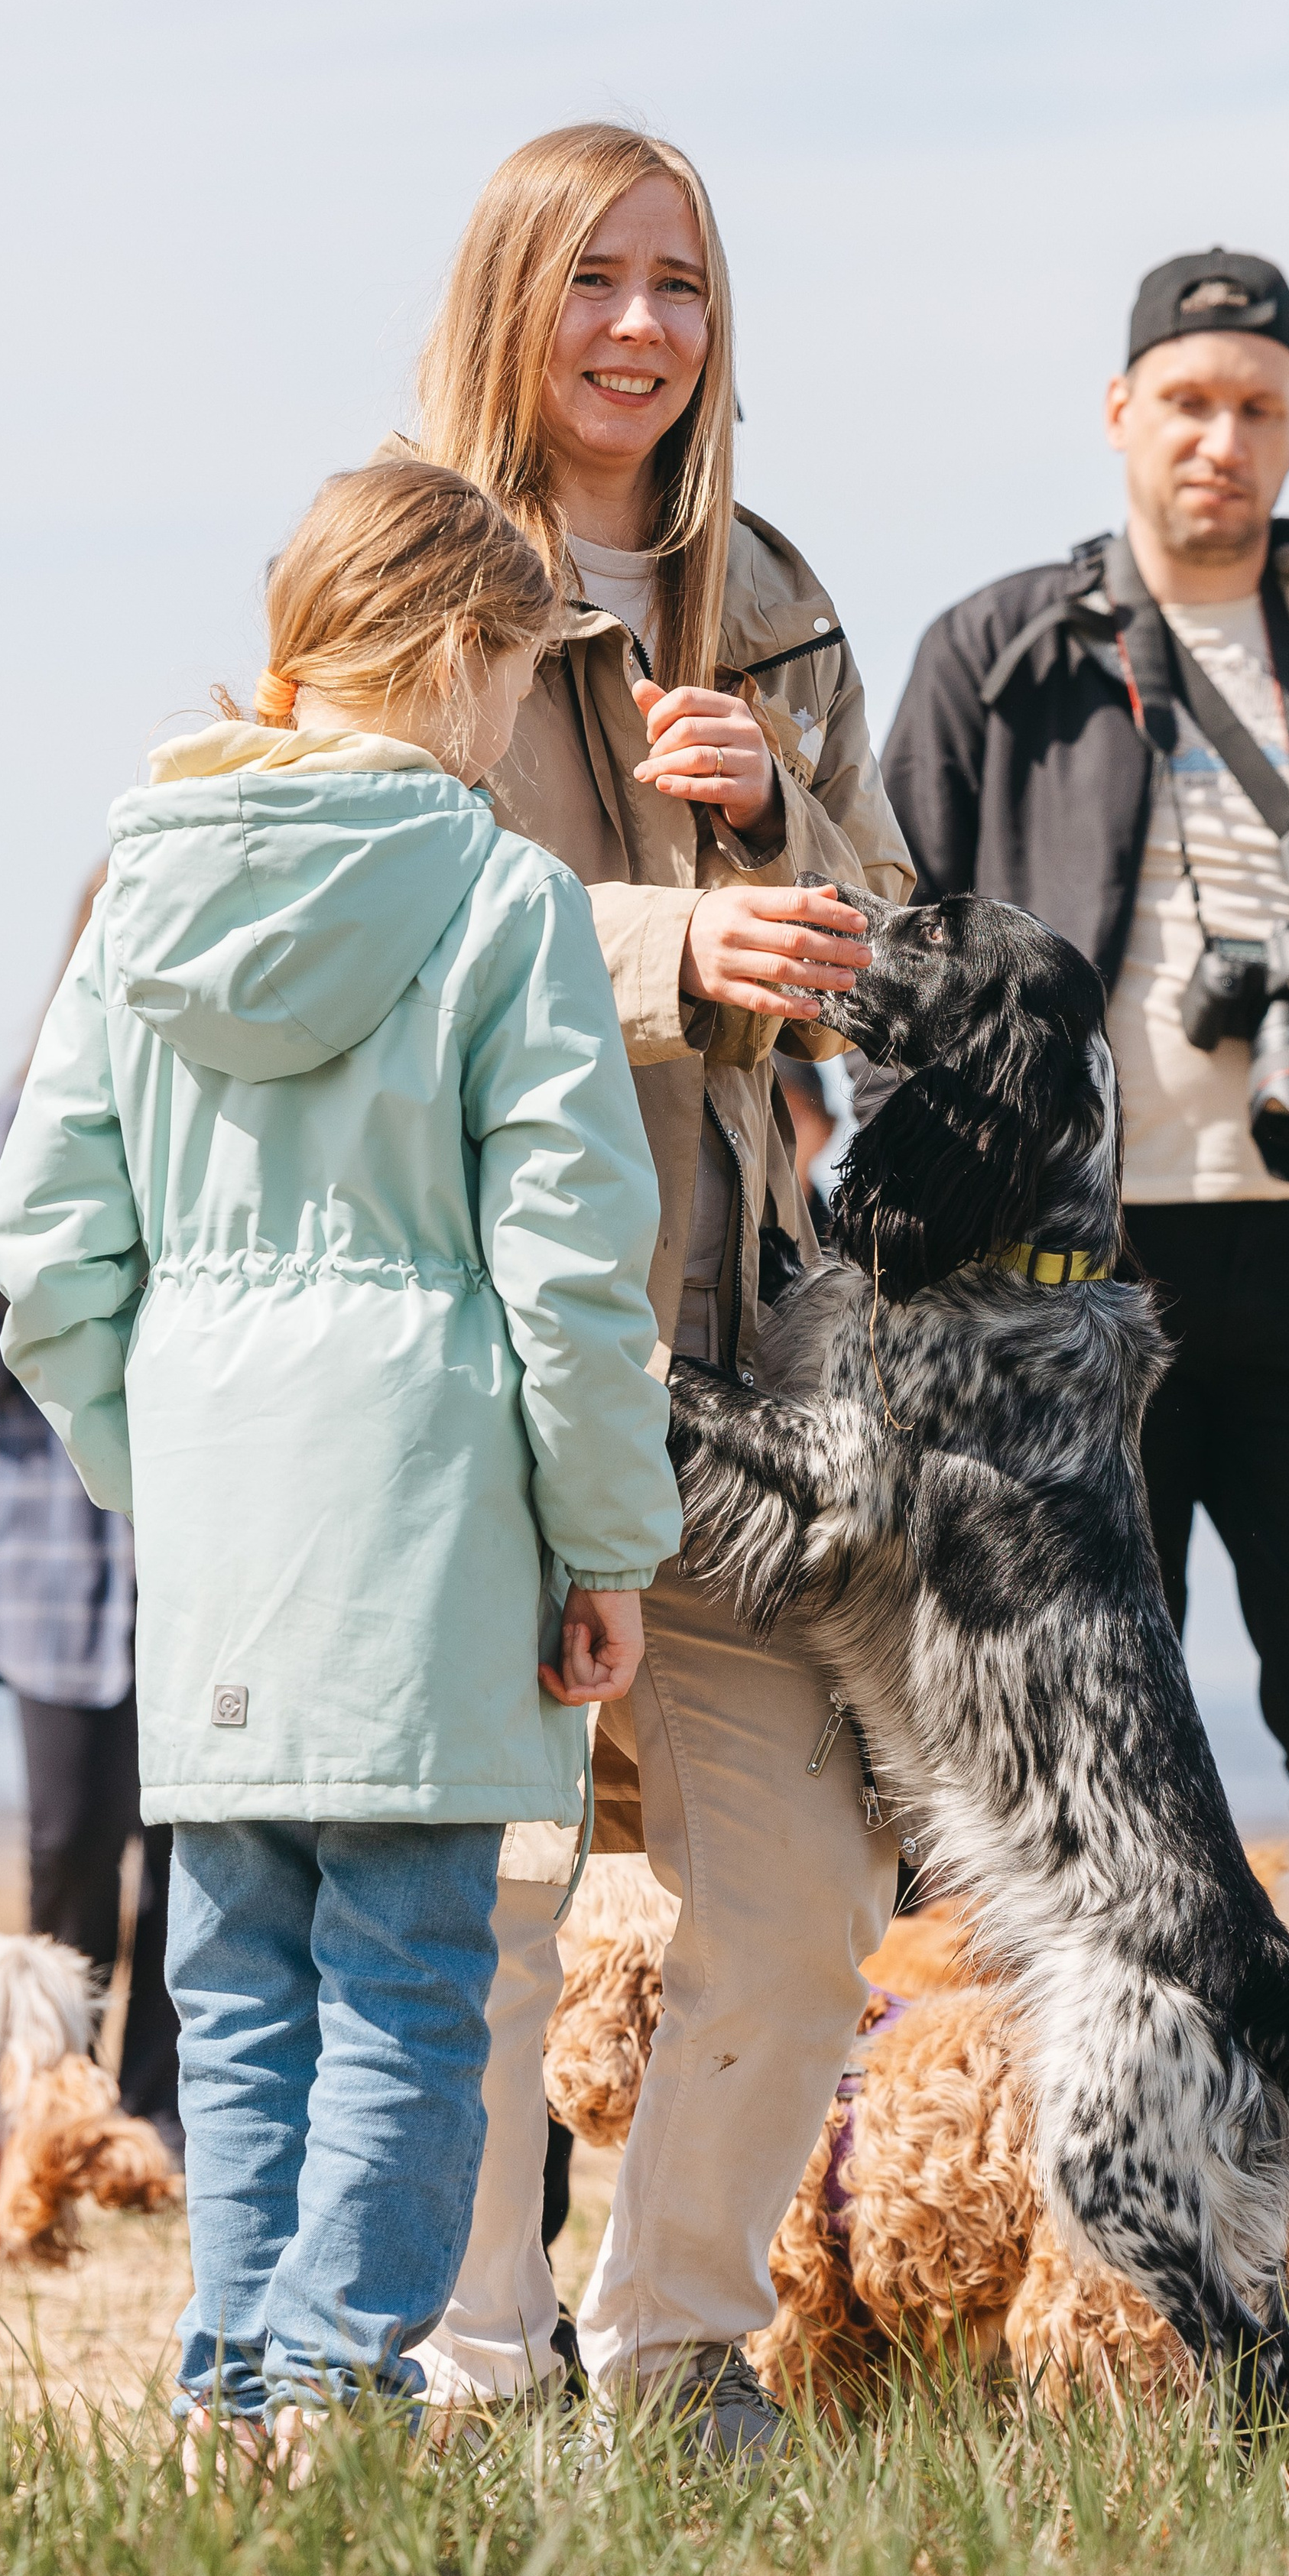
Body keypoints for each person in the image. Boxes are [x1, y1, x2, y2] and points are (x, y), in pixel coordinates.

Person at [0, 457, 681, 2461]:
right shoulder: (504, 900)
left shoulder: (143, 891)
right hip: (438, 1520)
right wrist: (606, 1541)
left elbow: (47, 1252)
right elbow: (573, 1268)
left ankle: (226, 2391)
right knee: (406, 1988)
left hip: (221, 1525)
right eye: (516, 673)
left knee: (236, 1991)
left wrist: (153, 1462)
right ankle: (326, 2394)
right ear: (463, 651)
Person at [882, 248, 1289, 2299]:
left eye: (1256, 404)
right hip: (1073, 1271)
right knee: (1044, 1750)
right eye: (1186, 401)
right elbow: (907, 954)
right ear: (1119, 414)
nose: (1219, 439)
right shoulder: (1004, 649)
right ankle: (996, 2186)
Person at [404, 122, 915, 2453]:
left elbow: (888, 940)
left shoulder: (772, 587)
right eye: (594, 277)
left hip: (729, 1371)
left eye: (682, 283)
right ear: (512, 296)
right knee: (498, 1892)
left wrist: (778, 829)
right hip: (474, 1354)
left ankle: (678, 2346)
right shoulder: (407, 569)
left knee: (807, 1875)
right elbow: (360, 924)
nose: (639, 325)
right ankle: (475, 2368)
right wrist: (658, 936)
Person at [0, 883, 180, 2155]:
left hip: (181, 1562)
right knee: (73, 1846)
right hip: (50, 1574)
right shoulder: (13, 1123)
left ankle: (161, 2120)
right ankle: (51, 2120)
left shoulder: (201, 1127)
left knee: (188, 1853)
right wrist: (67, 1327)